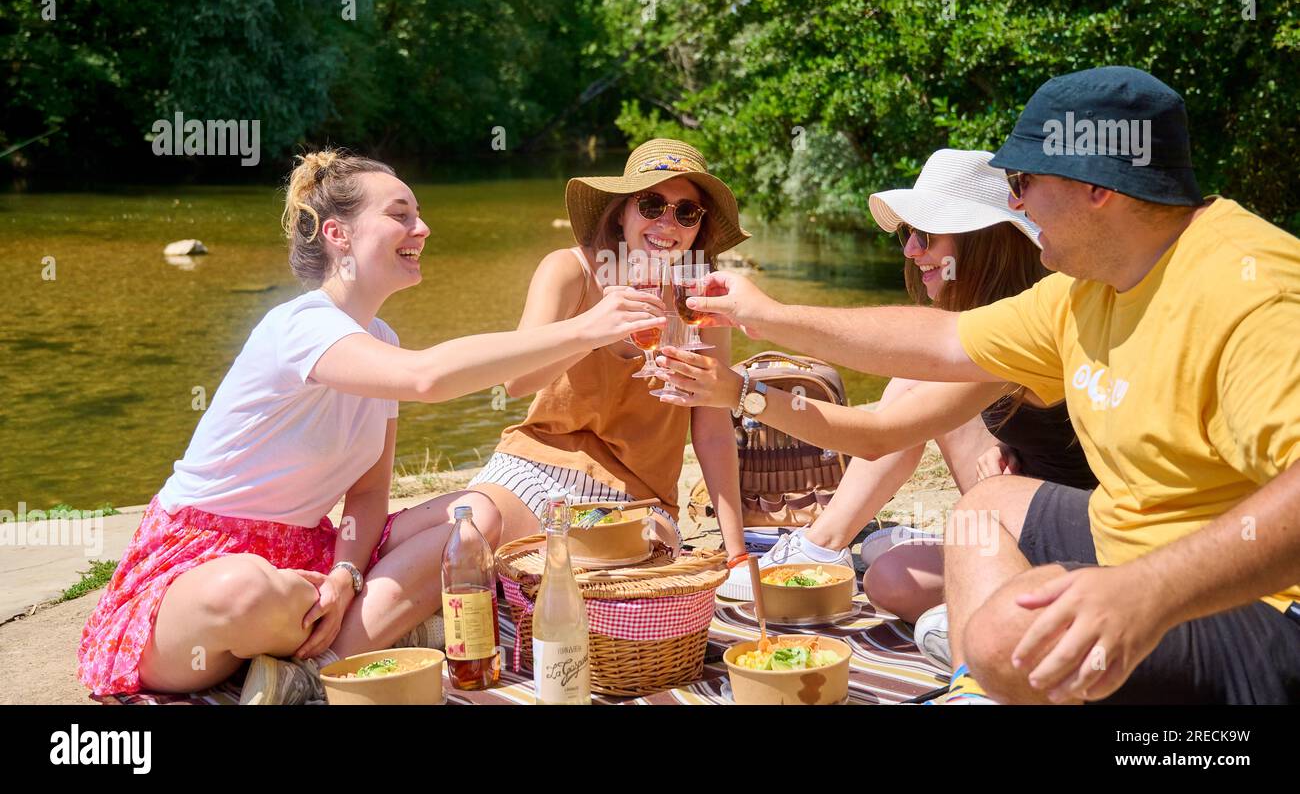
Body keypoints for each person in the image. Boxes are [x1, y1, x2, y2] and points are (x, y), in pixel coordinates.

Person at [681, 67, 1300, 704]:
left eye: (1022, 182)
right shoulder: (1085, 289)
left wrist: (1148, 590)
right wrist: (767, 315)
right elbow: (942, 342)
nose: (1014, 204)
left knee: (1005, 630)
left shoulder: (1254, 294)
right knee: (985, 508)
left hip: (1266, 611)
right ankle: (978, 689)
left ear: (1096, 188)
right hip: (1138, 552)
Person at [77, 149, 666, 704]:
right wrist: (589, 327)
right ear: (339, 236)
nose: (424, 229)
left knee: (474, 517)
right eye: (400, 215)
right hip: (200, 568)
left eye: (420, 215)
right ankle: (375, 631)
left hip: (308, 559)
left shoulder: (380, 339)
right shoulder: (301, 326)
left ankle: (318, 664)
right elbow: (427, 379)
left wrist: (345, 571)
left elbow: (367, 492)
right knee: (246, 589)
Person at [657, 150, 1095, 664]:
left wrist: (740, 389)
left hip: (1074, 546)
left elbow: (878, 433)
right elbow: (879, 363)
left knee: (891, 571)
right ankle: (845, 551)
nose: (910, 250)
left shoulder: (1023, 330)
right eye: (907, 233)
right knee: (886, 559)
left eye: (926, 236)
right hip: (1024, 523)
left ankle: (983, 626)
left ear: (984, 242)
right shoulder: (1007, 319)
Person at [465, 138, 752, 568]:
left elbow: (711, 432)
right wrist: (594, 331)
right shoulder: (570, 271)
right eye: (652, 204)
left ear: (699, 227)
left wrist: (736, 551)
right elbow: (517, 382)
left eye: (686, 212)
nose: (667, 223)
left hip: (637, 494)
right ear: (622, 211)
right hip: (539, 464)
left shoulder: (698, 300)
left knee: (598, 570)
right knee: (470, 536)